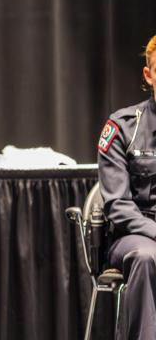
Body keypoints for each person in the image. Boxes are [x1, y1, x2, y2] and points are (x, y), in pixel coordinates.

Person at [97, 35, 156, 339]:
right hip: (135, 237)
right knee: (148, 257)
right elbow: (117, 205)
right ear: (149, 75)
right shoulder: (122, 127)